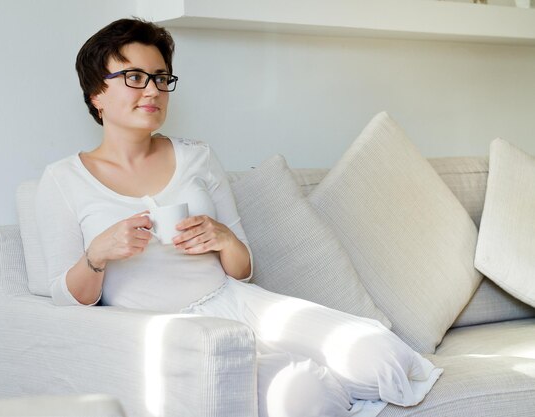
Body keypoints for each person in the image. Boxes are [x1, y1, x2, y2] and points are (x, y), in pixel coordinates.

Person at [36, 18, 441, 417]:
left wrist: (224, 238)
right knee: (303, 394)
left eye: (161, 78)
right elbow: (67, 298)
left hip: (236, 302)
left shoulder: (198, 157)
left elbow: (243, 269)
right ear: (96, 93)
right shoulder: (64, 180)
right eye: (135, 77)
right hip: (172, 331)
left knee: (379, 357)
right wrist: (98, 254)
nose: (154, 90)